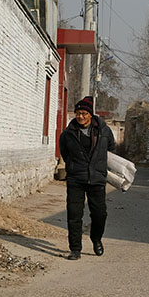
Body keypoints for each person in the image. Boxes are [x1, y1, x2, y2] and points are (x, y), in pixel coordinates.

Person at [59, 95, 115, 260]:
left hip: (97, 178)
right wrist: (72, 166)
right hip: (76, 179)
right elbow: (65, 152)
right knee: (74, 214)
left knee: (100, 214)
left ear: (91, 114)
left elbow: (111, 149)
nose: (80, 117)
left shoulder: (104, 130)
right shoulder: (68, 133)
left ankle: (96, 238)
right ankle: (75, 249)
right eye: (78, 113)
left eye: (84, 113)